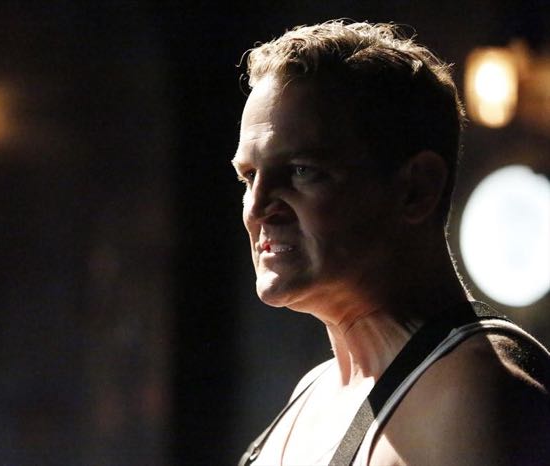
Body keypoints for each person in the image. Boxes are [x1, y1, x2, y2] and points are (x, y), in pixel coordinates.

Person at [232, 20, 550, 466]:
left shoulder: (471, 400)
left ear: (416, 189)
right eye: (249, 177)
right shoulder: (313, 391)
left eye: (302, 171)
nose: (258, 207)